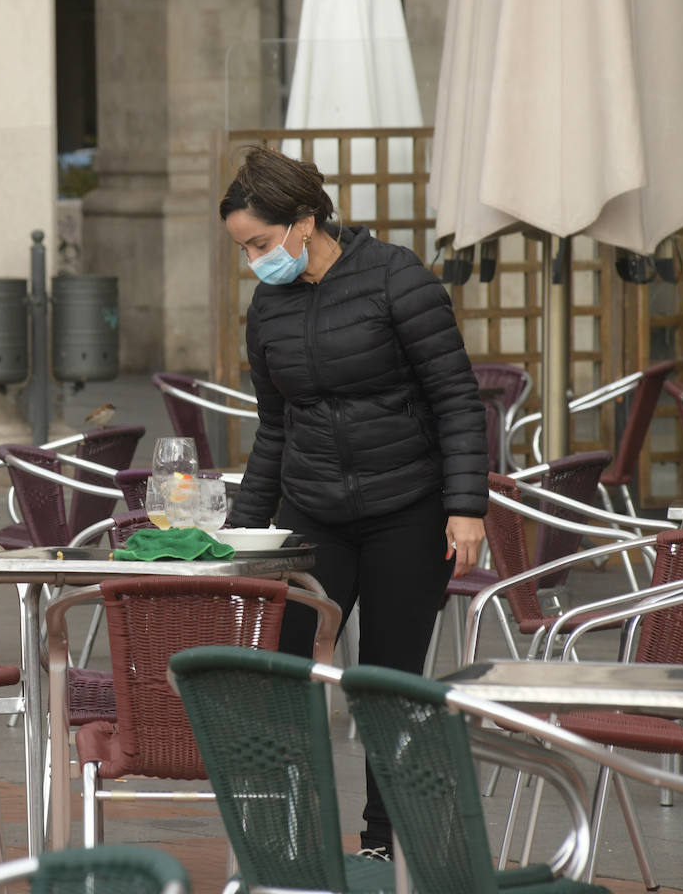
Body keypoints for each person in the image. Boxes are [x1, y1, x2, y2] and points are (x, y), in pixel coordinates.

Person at [220, 145, 488, 860]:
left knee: (386, 683)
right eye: (244, 249)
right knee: (284, 672)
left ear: (304, 221)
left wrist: (466, 505)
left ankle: (383, 841)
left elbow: (457, 399)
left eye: (261, 243)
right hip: (313, 513)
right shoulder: (267, 308)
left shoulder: (397, 278)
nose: (254, 261)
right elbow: (274, 429)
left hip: (408, 509)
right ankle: (289, 836)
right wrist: (241, 535)